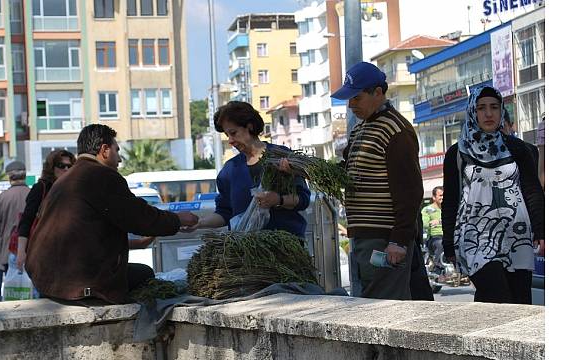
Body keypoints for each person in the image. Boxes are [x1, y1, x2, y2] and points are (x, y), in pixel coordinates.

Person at [24, 124, 199, 304]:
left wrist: (139, 242)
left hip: (46, 280)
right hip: (78, 284)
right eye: (117, 150)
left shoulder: (64, 180)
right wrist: (178, 219)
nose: (120, 159)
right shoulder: (101, 175)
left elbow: (85, 236)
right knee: (145, 274)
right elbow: (139, 217)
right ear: (104, 150)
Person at [441, 85, 545, 304]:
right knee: (496, 294)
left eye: (494, 107)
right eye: (481, 108)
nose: (488, 114)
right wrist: (449, 242)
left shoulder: (517, 149)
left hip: (516, 235)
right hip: (475, 237)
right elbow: (450, 200)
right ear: (473, 112)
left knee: (519, 303)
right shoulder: (457, 153)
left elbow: (532, 190)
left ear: (501, 111)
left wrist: (541, 230)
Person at [330, 61, 423, 300]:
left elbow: (410, 191)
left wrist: (399, 241)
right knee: (372, 304)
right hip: (365, 237)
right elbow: (346, 173)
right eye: (349, 99)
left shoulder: (396, 130)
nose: (351, 105)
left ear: (378, 93)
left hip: (385, 239)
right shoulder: (362, 129)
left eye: (357, 98)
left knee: (385, 309)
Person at [181, 101, 310, 237]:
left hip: (286, 247)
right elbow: (225, 213)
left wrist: (278, 200)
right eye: (227, 135)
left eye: (233, 133)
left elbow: (303, 199)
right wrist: (199, 223)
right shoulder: (229, 171)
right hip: (245, 252)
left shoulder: (282, 157)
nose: (230, 140)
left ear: (249, 127)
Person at [15, 149, 76, 272]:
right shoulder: (41, 188)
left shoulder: (74, 189)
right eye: (61, 166)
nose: (66, 169)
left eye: (69, 166)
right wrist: (21, 252)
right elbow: (26, 220)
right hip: (44, 252)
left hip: (69, 252)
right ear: (51, 168)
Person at [0, 160, 30, 299]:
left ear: (9, 177)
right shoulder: (33, 194)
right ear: (25, 175)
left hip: (7, 252)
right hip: (32, 250)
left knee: (13, 289)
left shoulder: (0, 199)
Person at [421, 186, 445, 278]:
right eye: (440, 195)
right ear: (434, 197)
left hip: (448, 236)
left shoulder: (448, 209)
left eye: (444, 195)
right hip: (434, 237)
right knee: (441, 244)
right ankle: (437, 268)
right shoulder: (427, 210)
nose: (442, 197)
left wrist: (439, 221)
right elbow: (424, 223)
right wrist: (431, 223)